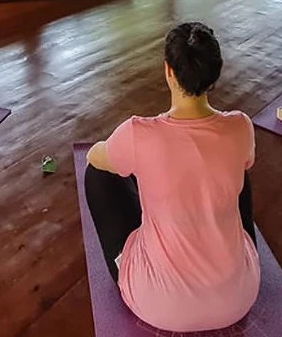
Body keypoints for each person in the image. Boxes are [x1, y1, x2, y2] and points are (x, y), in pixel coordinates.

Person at [83, 22, 259, 332]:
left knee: (97, 175)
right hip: (239, 296)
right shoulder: (241, 126)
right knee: (238, 170)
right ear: (213, 76)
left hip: (158, 303)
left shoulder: (139, 133)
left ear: (168, 71)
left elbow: (94, 156)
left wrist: (115, 150)